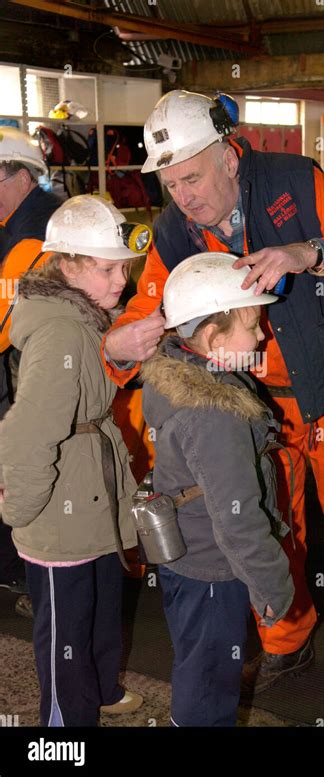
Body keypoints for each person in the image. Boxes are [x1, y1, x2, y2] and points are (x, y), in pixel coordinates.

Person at [102, 90, 324, 727]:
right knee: (277, 530)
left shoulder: (297, 184)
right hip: (256, 412)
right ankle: (285, 641)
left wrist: (310, 252)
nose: (184, 195)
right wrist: (116, 344)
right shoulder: (170, 233)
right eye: (169, 182)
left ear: (229, 156)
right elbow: (144, 312)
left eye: (191, 176)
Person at [0, 195, 146, 726]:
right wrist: (23, 509)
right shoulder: (61, 329)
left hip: (90, 498)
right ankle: (64, 729)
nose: (120, 281)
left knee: (102, 610)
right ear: (67, 264)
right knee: (65, 631)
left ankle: (102, 689)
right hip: (58, 510)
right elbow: (29, 428)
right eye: (107, 269)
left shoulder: (85, 316)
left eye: (122, 268)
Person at [140, 252, 294, 727]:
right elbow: (237, 514)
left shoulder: (181, 373)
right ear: (212, 337)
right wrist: (271, 583)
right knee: (209, 684)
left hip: (189, 559)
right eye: (253, 325)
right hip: (212, 567)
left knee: (198, 667)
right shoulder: (215, 413)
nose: (263, 334)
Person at [0, 127, 61, 614]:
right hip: (27, 372)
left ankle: (26, 575)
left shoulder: (34, 228)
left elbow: (2, 317)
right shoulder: (21, 218)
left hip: (31, 376)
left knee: (24, 469)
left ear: (20, 176)